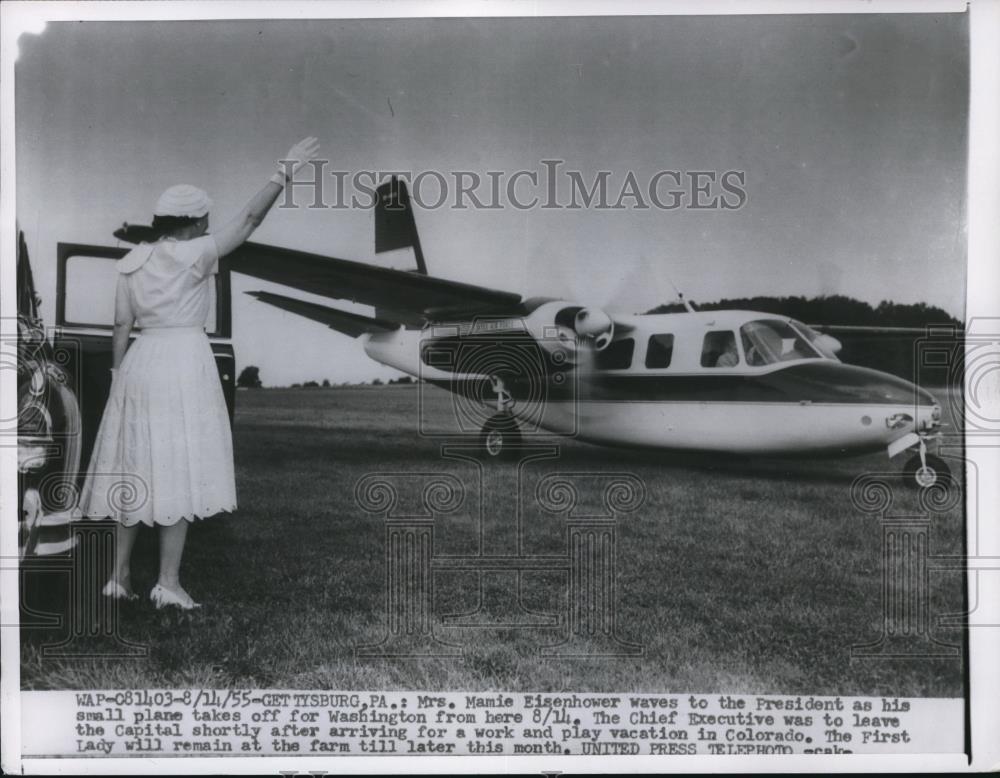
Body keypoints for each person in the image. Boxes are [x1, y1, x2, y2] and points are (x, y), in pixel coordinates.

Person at [80, 137, 321, 610]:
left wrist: (116, 373)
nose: (210, 223)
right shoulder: (199, 253)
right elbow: (249, 220)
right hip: (183, 359)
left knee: (135, 466)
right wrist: (284, 171)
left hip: (139, 362)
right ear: (195, 221)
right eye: (205, 217)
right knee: (178, 467)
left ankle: (119, 577)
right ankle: (167, 584)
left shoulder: (132, 261)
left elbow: (121, 325)